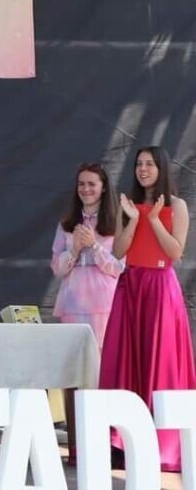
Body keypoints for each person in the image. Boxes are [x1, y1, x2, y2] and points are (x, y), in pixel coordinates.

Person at [100, 145, 194, 472]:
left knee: (160, 358)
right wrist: (133, 220)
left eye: (149, 164)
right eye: (139, 164)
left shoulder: (177, 205)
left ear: (161, 168)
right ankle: (122, 440)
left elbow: (175, 252)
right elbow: (120, 250)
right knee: (126, 358)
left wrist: (154, 220)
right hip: (131, 286)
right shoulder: (129, 204)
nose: (142, 169)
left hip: (160, 287)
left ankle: (162, 441)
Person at [50, 163, 123, 349]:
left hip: (104, 301)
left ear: (103, 187)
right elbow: (57, 268)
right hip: (72, 300)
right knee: (73, 355)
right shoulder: (66, 225)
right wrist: (74, 250)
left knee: (102, 355)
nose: (85, 189)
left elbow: (120, 267)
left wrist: (94, 246)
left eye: (92, 184)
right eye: (81, 184)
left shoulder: (117, 224)